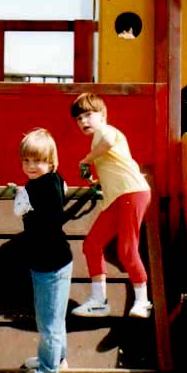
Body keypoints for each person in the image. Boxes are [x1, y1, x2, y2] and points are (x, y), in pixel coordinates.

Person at [69, 93, 153, 318]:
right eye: (79, 119)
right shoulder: (98, 139)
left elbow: (107, 142)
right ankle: (99, 300)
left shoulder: (104, 131)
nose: (84, 121)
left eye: (88, 115)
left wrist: (86, 159)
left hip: (132, 192)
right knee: (92, 244)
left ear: (103, 115)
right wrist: (96, 181)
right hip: (118, 197)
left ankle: (143, 301)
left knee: (126, 249)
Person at [13, 128, 72, 373]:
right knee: (54, 316)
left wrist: (23, 201)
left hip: (50, 261)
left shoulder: (36, 187)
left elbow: (39, 216)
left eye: (37, 161)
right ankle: (57, 358)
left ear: (50, 161)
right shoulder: (54, 180)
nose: (31, 166)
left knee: (48, 320)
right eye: (26, 160)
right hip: (52, 258)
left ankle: (48, 372)